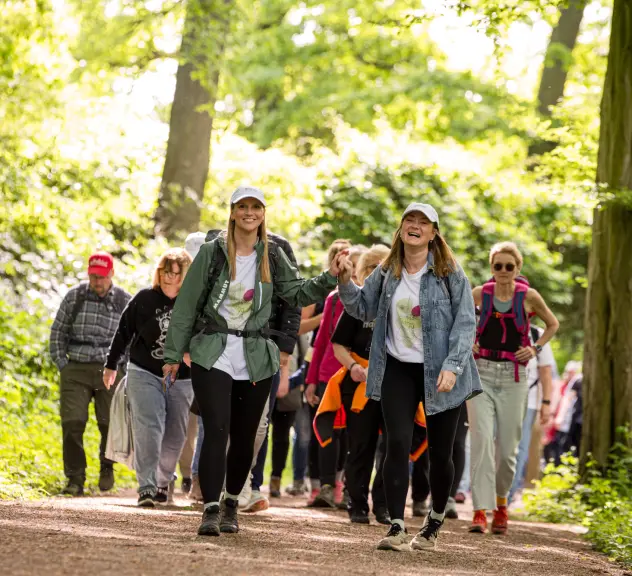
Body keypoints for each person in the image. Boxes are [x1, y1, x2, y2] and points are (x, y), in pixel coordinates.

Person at [162, 186, 344, 537]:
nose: (249, 212)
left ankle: (232, 502)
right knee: (216, 429)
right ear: (232, 212)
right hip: (212, 351)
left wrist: (330, 276)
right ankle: (211, 509)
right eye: (242, 206)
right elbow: (186, 304)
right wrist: (173, 355)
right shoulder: (211, 254)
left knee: (244, 436)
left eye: (255, 207)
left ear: (263, 213)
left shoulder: (273, 256)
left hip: (256, 356)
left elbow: (297, 293)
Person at [337, 202, 482, 551]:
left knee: (440, 453)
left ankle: (433, 523)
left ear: (433, 233)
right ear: (401, 229)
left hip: (441, 371)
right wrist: (343, 279)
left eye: (423, 222)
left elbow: (465, 324)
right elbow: (361, 308)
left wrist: (453, 366)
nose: (414, 226)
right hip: (397, 367)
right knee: (397, 442)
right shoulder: (387, 271)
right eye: (409, 220)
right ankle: (397, 527)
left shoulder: (449, 273)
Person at [469, 241, 559, 535]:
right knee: (482, 441)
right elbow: (461, 321)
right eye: (498, 266)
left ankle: (501, 504)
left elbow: (553, 324)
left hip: (515, 377)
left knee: (507, 450)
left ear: (517, 268)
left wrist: (535, 348)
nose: (504, 271)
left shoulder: (529, 296)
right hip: (481, 373)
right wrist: (468, 341)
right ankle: (480, 511)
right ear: (492, 268)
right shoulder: (480, 294)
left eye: (510, 266)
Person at [104, 248, 193, 506]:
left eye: (177, 274)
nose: (170, 278)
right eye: (166, 272)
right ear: (159, 272)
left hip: (181, 376)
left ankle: (163, 480)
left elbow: (204, 336)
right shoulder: (144, 299)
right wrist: (111, 365)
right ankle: (146, 487)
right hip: (144, 371)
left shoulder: (193, 303)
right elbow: (123, 331)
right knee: (149, 428)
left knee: (176, 434)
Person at [50, 252, 131, 496]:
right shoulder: (75, 296)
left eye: (102, 277)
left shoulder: (124, 300)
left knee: (108, 423)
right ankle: (75, 478)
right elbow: (58, 332)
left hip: (109, 369)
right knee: (73, 423)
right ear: (88, 274)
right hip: (75, 368)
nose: (98, 282)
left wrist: (122, 368)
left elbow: (132, 338)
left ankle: (107, 466)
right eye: (94, 276)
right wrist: (62, 364)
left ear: (111, 275)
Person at [328, 244, 391, 524]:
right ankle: (356, 503)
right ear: (361, 273)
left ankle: (385, 505)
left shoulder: (402, 305)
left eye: (383, 267)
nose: (377, 272)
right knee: (361, 445)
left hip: (394, 384)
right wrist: (352, 366)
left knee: (392, 446)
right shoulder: (356, 305)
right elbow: (338, 345)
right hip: (360, 384)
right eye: (370, 267)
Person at [306, 245, 367, 507]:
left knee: (351, 436)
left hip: (357, 377)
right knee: (327, 431)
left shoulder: (370, 302)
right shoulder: (332, 299)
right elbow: (320, 344)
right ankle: (327, 487)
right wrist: (310, 381)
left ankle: (346, 486)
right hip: (327, 376)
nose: (351, 275)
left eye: (355, 270)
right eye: (347, 268)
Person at [508, 325, 555, 504]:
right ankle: (488, 493)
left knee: (519, 449)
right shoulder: (495, 322)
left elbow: (545, 372)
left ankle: (506, 497)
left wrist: (546, 403)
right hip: (497, 395)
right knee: (494, 446)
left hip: (529, 400)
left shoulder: (538, 334)